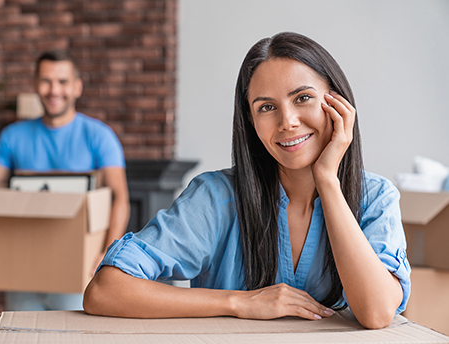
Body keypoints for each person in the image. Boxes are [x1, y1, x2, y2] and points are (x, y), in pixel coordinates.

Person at [83, 32, 410, 329]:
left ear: (338, 105)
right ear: (251, 123)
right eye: (266, 107)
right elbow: (105, 290)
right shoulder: (215, 198)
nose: (287, 121)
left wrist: (327, 180)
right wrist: (239, 302)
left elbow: (377, 312)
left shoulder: (376, 198)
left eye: (303, 98)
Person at [0, 50, 130, 311]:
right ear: (35, 85)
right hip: (22, 268)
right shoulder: (13, 136)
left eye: (62, 82)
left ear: (77, 87)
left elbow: (119, 198)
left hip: (77, 267)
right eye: (46, 81)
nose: (54, 90)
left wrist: (107, 254)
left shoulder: (99, 136)